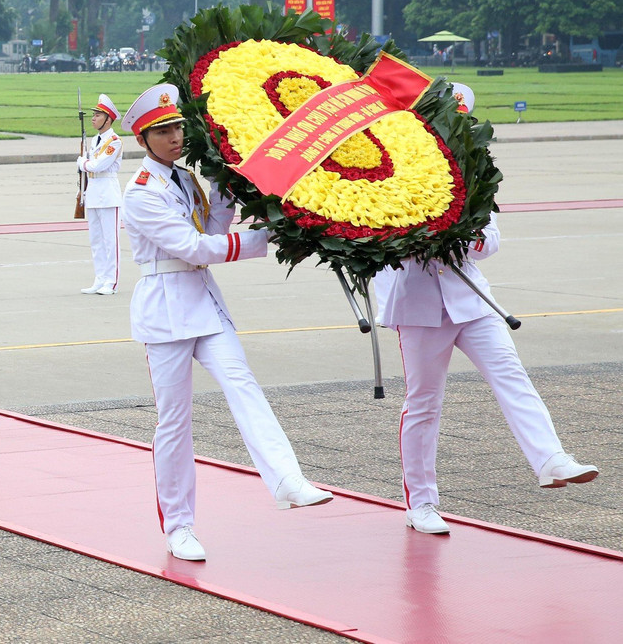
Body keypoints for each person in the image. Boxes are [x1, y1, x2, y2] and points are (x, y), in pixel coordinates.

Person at [118, 84, 331, 563]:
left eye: (177, 127)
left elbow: (210, 232)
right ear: (143, 139)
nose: (175, 137)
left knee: (244, 384)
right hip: (165, 308)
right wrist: (261, 240)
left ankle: (287, 479)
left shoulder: (186, 180)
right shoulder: (141, 193)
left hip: (203, 301)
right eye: (162, 131)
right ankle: (179, 526)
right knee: (175, 423)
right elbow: (192, 248)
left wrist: (223, 192)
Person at [378, 83, 598, 536]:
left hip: (471, 300)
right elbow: (378, 241)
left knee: (511, 374)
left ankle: (550, 459)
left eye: (461, 122)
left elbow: (491, 238)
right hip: (418, 305)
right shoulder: (395, 167)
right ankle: (421, 502)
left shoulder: (475, 169)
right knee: (423, 404)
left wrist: (463, 235)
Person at [78, 94, 123, 295]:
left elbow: (99, 165)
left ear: (108, 119)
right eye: (94, 115)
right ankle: (99, 278)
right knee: (96, 240)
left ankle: (111, 281)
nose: (93, 118)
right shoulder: (96, 140)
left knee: (110, 241)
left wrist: (82, 163)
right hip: (94, 192)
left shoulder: (114, 141)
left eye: (98, 115)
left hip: (108, 193)